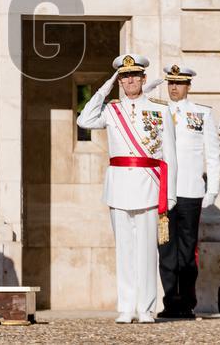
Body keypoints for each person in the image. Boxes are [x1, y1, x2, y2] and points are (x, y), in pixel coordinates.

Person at [77, 54, 177, 324]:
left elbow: (170, 155)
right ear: (119, 81)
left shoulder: (160, 110)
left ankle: (146, 308)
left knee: (147, 251)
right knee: (124, 251)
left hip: (148, 185)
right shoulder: (111, 110)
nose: (129, 80)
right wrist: (105, 87)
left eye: (134, 76)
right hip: (119, 186)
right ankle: (126, 306)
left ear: (144, 79)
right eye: (124, 76)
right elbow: (84, 120)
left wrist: (170, 193)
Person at [153, 65, 220, 319]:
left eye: (179, 83)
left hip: (190, 191)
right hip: (162, 191)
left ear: (188, 86)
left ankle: (187, 302)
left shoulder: (201, 114)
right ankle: (171, 300)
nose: (173, 87)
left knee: (187, 251)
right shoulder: (157, 112)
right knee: (166, 250)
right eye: (170, 82)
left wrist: (212, 188)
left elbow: (213, 153)